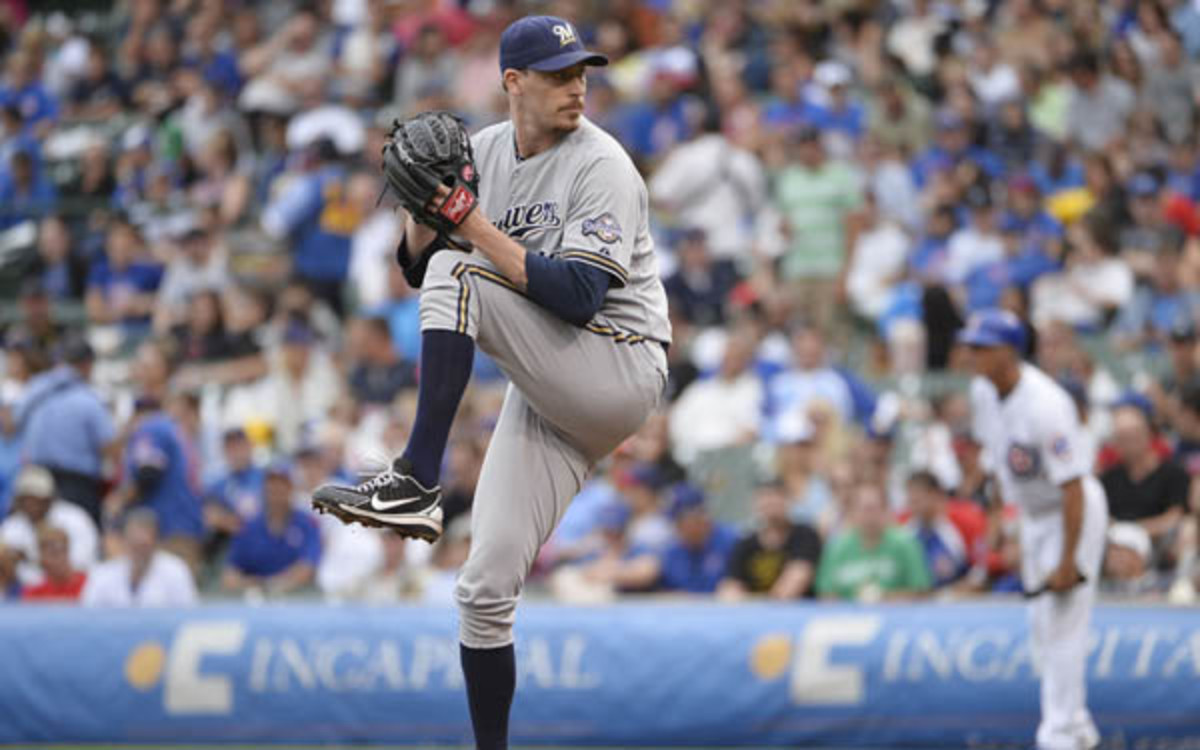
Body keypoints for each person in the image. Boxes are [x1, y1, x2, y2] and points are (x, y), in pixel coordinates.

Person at [311, 17, 669, 750]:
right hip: (548, 390)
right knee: (482, 590)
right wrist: (421, 216)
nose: (578, 87)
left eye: (582, 72)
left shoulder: (602, 162)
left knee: (461, 267)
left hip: (618, 363)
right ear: (513, 82)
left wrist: (464, 224)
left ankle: (416, 477)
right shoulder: (481, 152)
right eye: (560, 74)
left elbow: (577, 297)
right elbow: (419, 268)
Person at [960, 309, 1108, 750]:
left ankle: (1059, 734)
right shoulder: (983, 392)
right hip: (1032, 512)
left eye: (981, 347)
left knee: (1064, 622)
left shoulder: (1047, 404)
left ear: (1009, 352)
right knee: (1042, 627)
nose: (971, 355)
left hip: (1070, 509)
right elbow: (995, 461)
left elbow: (1073, 485)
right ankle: (1077, 726)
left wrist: (1068, 561)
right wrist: (999, 524)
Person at [13, 336, 115, 524]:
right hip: (75, 485)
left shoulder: (35, 387)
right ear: (87, 365)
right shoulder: (89, 398)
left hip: (35, 482)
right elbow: (109, 447)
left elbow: (14, 424)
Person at [815, 481, 931, 601]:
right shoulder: (837, 548)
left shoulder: (906, 544)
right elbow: (826, 594)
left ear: (886, 510)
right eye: (864, 509)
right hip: (850, 617)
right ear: (852, 511)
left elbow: (921, 593)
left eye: (873, 509)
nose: (869, 516)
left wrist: (884, 597)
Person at [222, 461, 321, 598]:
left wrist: (276, 585)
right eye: (272, 484)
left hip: (298, 599)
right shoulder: (249, 527)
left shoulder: (306, 524)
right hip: (256, 602)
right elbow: (230, 577)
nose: (277, 489)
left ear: (291, 488)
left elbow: (308, 568)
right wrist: (259, 585)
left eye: (283, 484)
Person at [718, 478, 822, 601]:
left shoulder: (805, 536)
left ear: (788, 500)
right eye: (764, 497)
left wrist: (747, 600)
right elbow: (729, 590)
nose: (770, 502)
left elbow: (791, 588)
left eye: (776, 496)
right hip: (753, 616)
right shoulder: (745, 544)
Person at [0, 464, 98, 586]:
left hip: (74, 589)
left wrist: (31, 559)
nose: (31, 504)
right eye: (26, 498)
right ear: (19, 500)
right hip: (24, 593)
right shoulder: (12, 525)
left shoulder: (75, 518)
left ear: (50, 498)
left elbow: (83, 563)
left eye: (37, 498)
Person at [81, 508, 197, 607]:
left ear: (156, 542)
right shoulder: (103, 574)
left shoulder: (176, 571)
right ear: (124, 540)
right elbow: (88, 616)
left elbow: (186, 616)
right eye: (134, 544)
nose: (139, 551)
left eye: (144, 545)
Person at [22, 526, 87, 602]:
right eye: (54, 554)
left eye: (64, 551)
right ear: (42, 558)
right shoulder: (33, 592)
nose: (61, 558)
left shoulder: (87, 584)